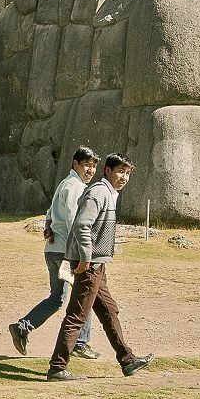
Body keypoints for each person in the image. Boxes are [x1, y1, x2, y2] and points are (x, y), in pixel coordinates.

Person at [46, 153, 154, 382]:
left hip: (97, 265)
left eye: (127, 173)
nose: (124, 177)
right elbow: (81, 225)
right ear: (108, 171)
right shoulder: (99, 192)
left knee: (109, 310)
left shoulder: (108, 193)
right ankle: (57, 367)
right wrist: (85, 259)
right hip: (89, 265)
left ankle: (128, 360)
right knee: (76, 316)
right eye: (120, 171)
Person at [8, 146, 100, 359]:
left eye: (94, 166)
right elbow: (73, 221)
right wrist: (82, 252)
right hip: (66, 252)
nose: (90, 170)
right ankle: (80, 343)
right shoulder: (75, 187)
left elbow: (50, 212)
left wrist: (49, 227)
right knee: (85, 295)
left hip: (55, 250)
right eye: (86, 164)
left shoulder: (66, 184)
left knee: (58, 298)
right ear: (75, 164)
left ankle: (23, 327)